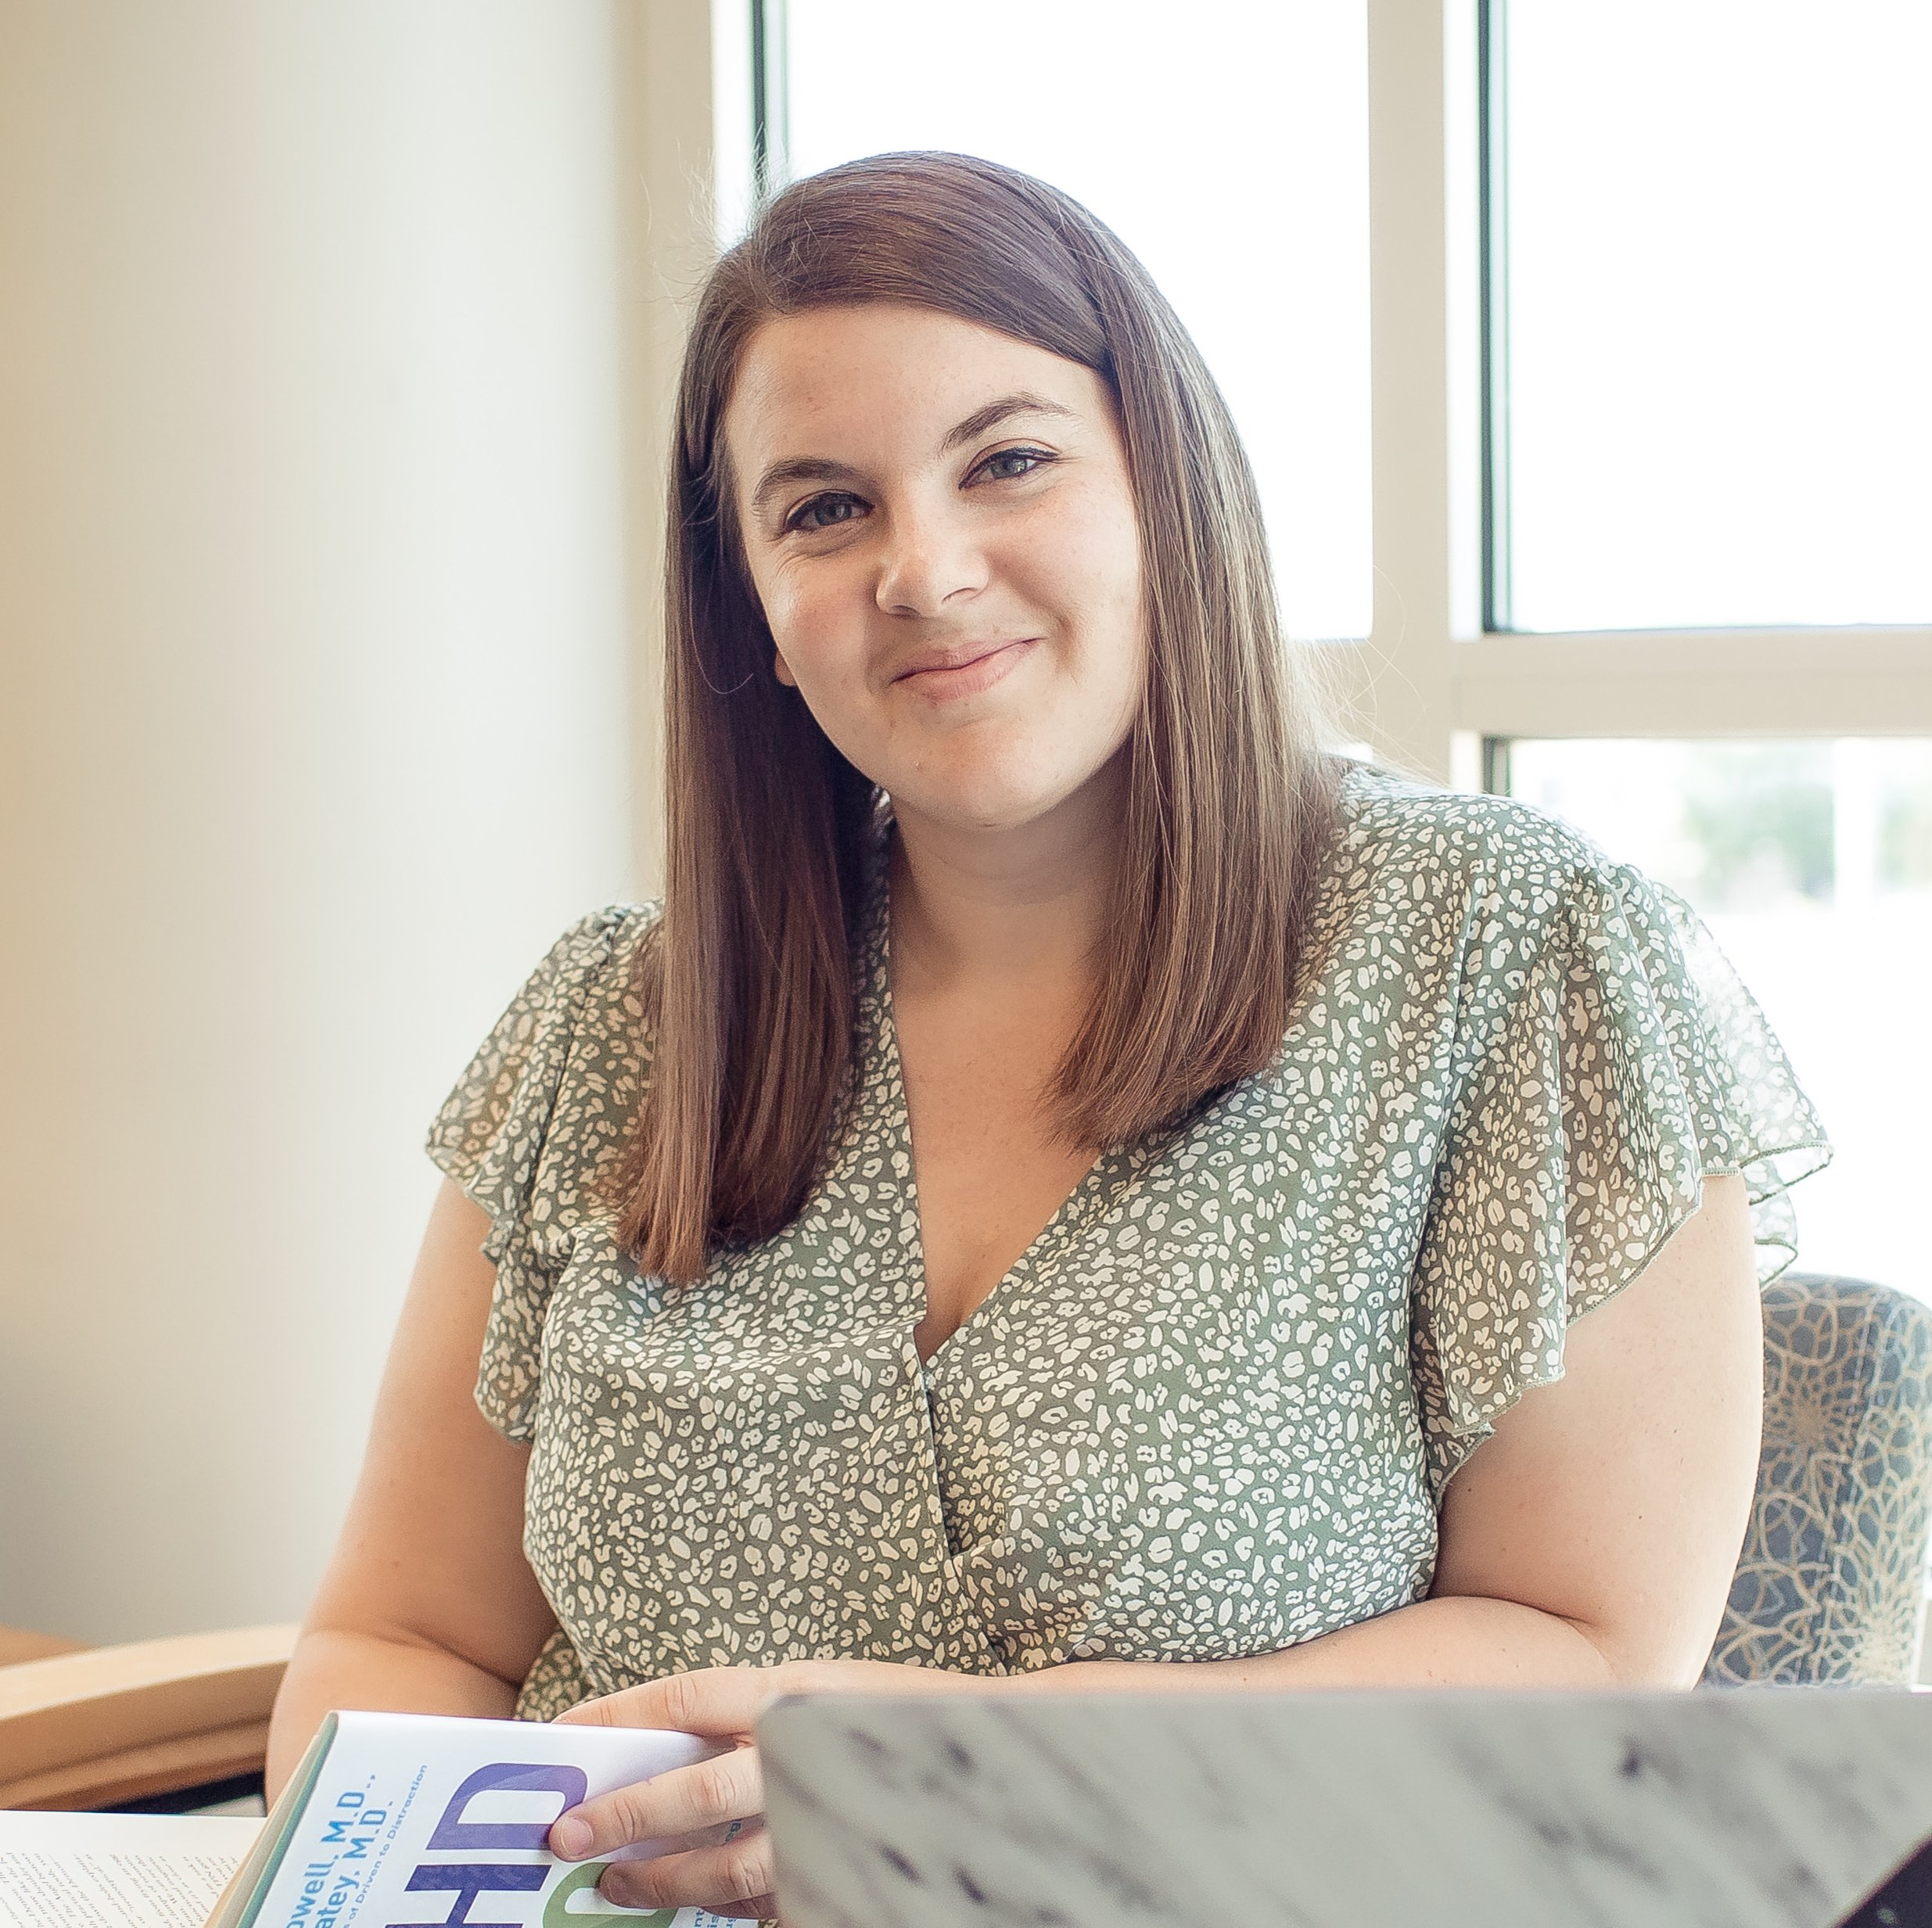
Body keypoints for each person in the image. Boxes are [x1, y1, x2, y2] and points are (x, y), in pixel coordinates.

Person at [266, 153, 1829, 1922]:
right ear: (752, 617)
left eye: (1006, 461)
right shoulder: (618, 1022)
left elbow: (1591, 1663)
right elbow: (409, 1632)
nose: (922, 573)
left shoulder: (1509, 956)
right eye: (820, 510)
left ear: (1167, 491)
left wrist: (980, 1782)